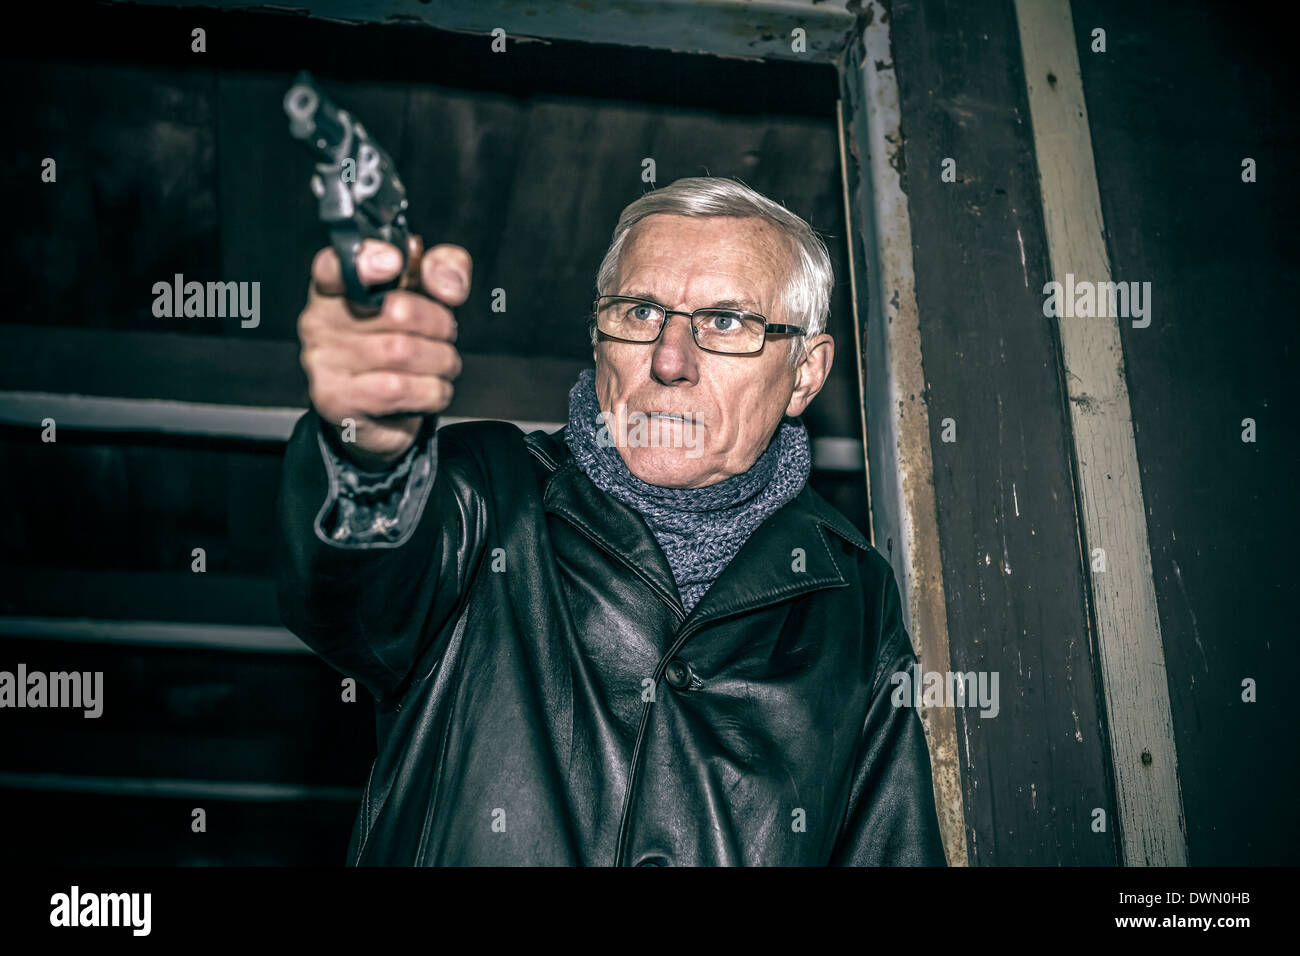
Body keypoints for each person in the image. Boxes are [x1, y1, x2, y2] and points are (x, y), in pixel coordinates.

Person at [275, 176, 948, 866]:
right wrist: (365, 443)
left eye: (724, 322)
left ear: (805, 373)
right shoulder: (484, 490)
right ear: (598, 337)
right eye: (640, 312)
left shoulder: (852, 595)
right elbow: (348, 590)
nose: (669, 359)